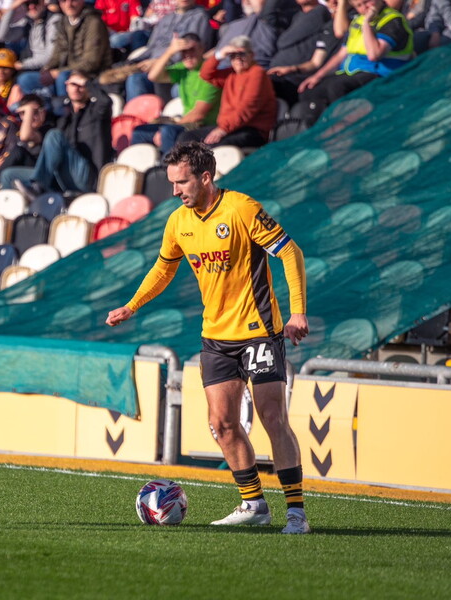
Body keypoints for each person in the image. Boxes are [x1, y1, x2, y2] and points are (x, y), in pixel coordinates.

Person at [105, 141, 310, 534]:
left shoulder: (241, 209)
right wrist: (132, 306)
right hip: (216, 336)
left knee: (272, 417)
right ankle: (254, 504)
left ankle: (297, 513)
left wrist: (297, 311)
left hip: (260, 332)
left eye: (182, 182)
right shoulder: (177, 222)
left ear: (205, 177)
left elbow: (290, 252)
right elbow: (163, 269)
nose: (176, 191)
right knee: (222, 424)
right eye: (172, 183)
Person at [295, 0, 413, 128]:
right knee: (309, 89)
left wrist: (367, 23)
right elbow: (341, 54)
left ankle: (346, 131)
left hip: (380, 74)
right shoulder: (357, 21)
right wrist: (317, 76)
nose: (364, 8)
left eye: (367, 2)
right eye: (359, 6)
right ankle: (315, 133)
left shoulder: (392, 20)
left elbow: (374, 55)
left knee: (337, 87)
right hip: (353, 73)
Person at [3, 71, 112, 196]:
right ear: (66, 86)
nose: (76, 88)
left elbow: (106, 102)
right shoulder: (63, 115)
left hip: (88, 177)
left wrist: (85, 82)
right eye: (72, 84)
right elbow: (27, 133)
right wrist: (28, 110)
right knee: (8, 175)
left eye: (80, 85)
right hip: (62, 176)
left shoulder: (96, 111)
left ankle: (39, 185)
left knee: (54, 134)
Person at [177, 34, 277, 149]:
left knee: (215, 146)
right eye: (233, 55)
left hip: (252, 129)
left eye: (242, 54)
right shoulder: (231, 74)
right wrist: (219, 55)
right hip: (228, 127)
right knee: (186, 137)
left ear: (252, 55)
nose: (237, 59)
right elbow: (205, 74)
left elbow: (247, 108)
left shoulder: (257, 73)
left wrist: (223, 129)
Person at [130, 33, 221, 156]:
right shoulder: (184, 69)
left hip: (206, 126)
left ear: (202, 48)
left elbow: (198, 114)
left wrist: (163, 131)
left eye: (192, 50)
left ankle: (168, 170)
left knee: (168, 132)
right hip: (188, 123)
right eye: (183, 51)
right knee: (139, 132)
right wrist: (170, 52)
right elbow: (153, 76)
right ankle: (141, 172)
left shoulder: (209, 73)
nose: (188, 55)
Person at [39, 0, 112, 96]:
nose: (68, 5)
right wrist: (47, 68)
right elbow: (57, 53)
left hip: (93, 74)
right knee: (27, 79)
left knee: (63, 77)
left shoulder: (94, 22)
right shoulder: (63, 22)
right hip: (67, 70)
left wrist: (58, 72)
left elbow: (91, 62)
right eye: (64, 1)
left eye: (73, 0)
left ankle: (64, 108)